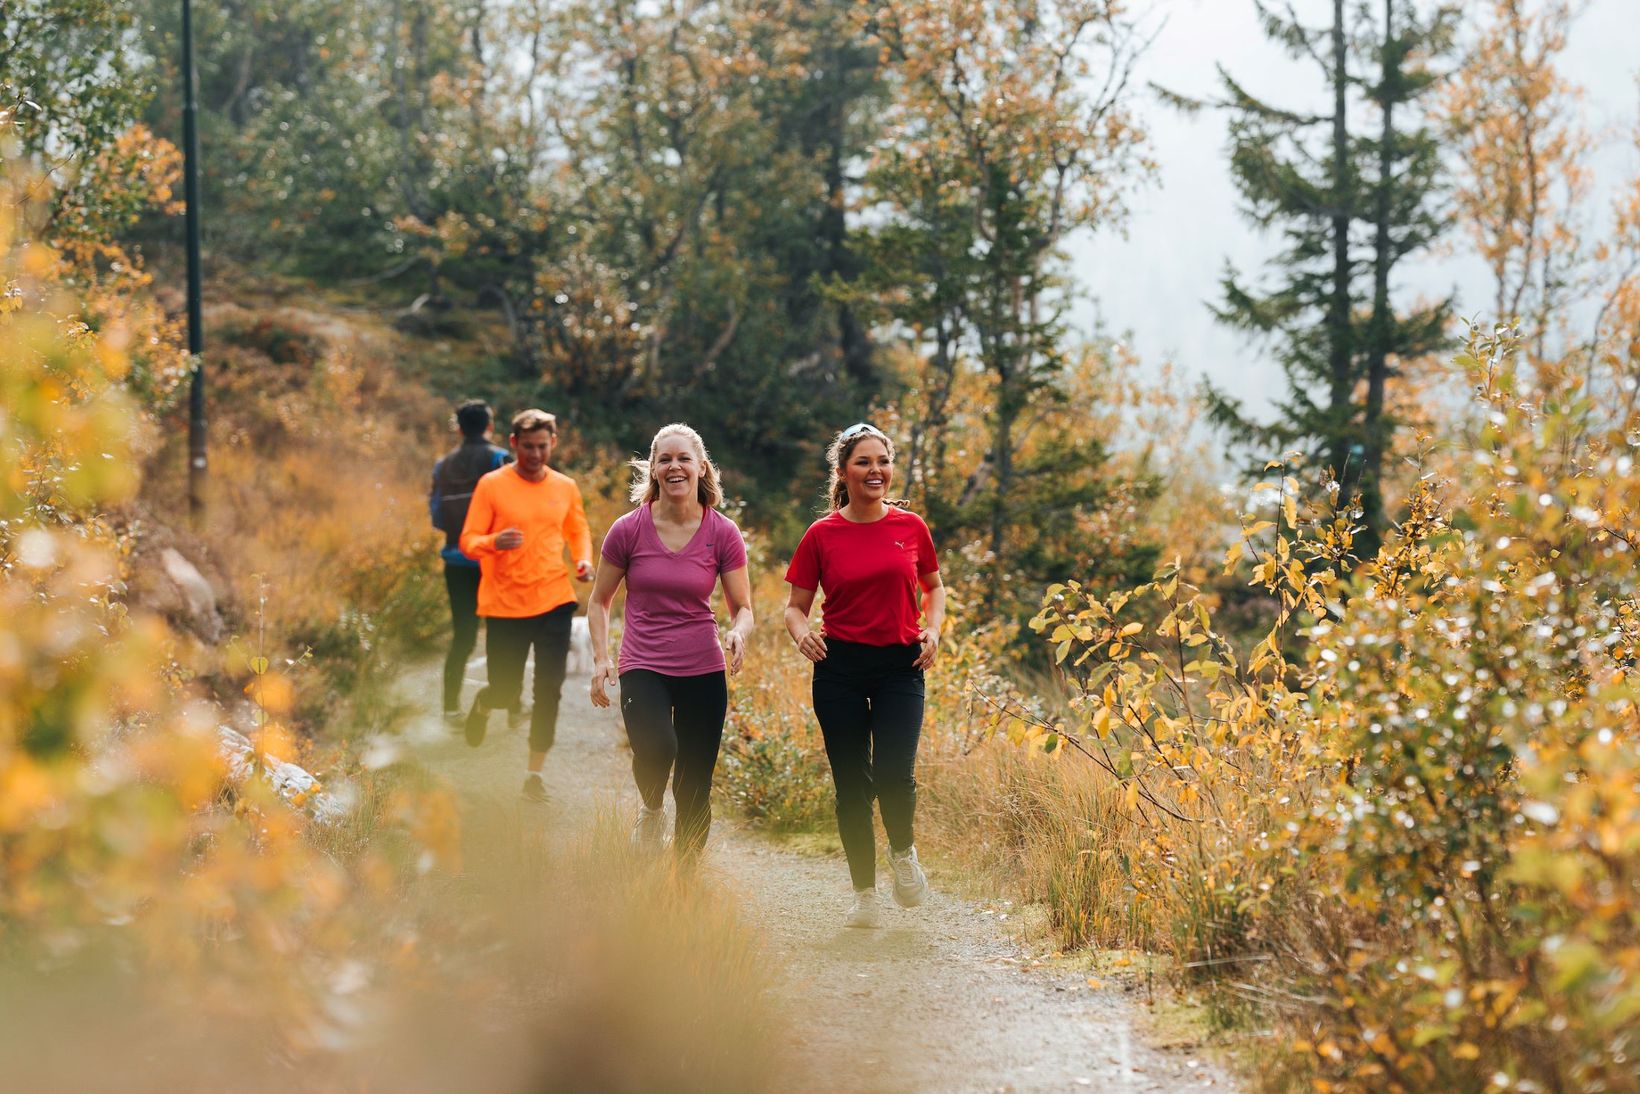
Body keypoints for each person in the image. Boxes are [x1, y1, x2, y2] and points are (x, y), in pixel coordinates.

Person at [784, 422, 945, 928]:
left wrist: (934, 631)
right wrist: (801, 633)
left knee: (896, 774)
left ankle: (903, 855)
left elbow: (934, 588)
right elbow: (794, 606)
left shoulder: (911, 527)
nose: (875, 471)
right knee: (852, 784)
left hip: (901, 666)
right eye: (863, 462)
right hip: (840, 669)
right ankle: (864, 897)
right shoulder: (821, 534)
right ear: (842, 471)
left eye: (882, 461)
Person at [587, 424, 753, 858]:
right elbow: (600, 601)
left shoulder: (723, 532)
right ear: (654, 470)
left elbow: (743, 608)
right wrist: (602, 658)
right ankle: (652, 808)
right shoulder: (628, 529)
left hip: (703, 666)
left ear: (701, 467)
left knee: (695, 782)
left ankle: (684, 882)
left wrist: (738, 632)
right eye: (665, 459)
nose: (674, 466)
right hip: (644, 663)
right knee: (659, 748)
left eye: (683, 458)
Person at [458, 409, 594, 802]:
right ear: (514, 444)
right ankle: (487, 702)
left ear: (553, 444)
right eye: (528, 447)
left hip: (554, 600)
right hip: (504, 604)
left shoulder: (565, 486)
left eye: (543, 446)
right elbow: (468, 540)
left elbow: (577, 529)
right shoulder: (491, 485)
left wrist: (582, 559)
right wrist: (492, 542)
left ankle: (533, 775)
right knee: (505, 690)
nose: (536, 455)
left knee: (549, 690)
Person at [429, 400, 511, 727]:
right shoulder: (499, 459)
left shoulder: (443, 465)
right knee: (501, 631)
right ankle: (508, 704)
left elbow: (436, 516)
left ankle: (450, 709)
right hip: (494, 560)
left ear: (459, 428)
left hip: (456, 560)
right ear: (489, 426)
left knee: (462, 633)